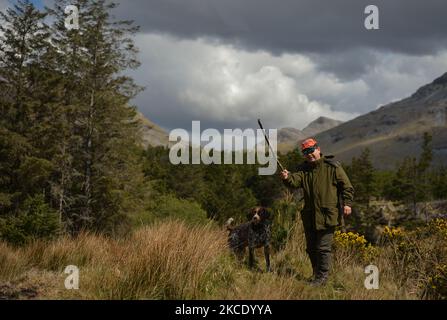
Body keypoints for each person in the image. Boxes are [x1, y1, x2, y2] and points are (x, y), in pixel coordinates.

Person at [280, 138, 354, 286]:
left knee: (323, 248)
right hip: (310, 216)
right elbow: (294, 181)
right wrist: (287, 178)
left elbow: (347, 187)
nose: (309, 154)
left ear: (318, 149)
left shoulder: (332, 167)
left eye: (311, 150)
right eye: (305, 152)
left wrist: (347, 204)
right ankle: (316, 275)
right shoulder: (303, 169)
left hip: (328, 215)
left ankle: (322, 278)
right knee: (311, 248)